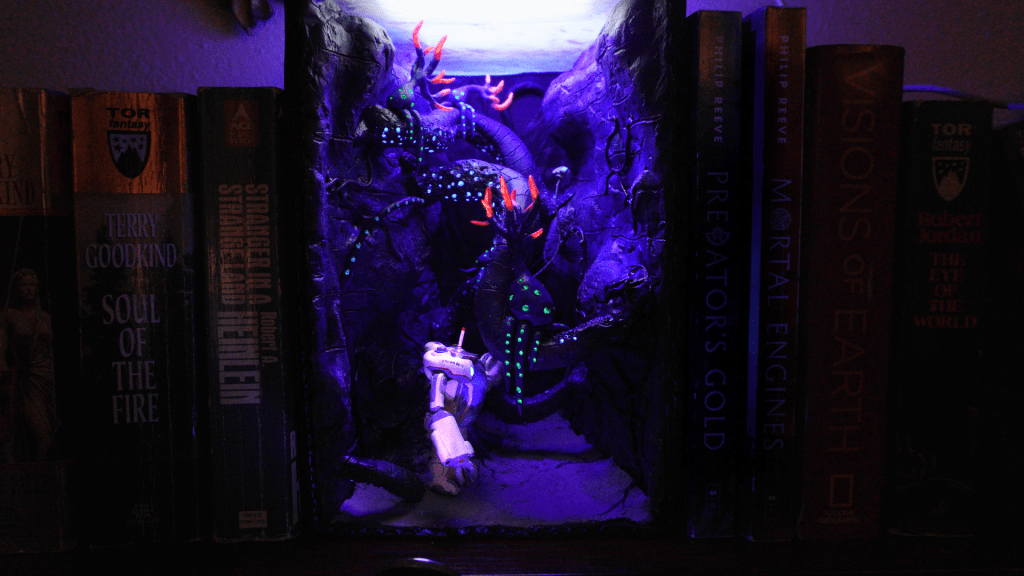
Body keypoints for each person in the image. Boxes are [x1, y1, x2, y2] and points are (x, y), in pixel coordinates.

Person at [0, 269, 57, 463]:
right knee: (41, 435)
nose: (28, 289)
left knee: (50, 436)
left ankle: (38, 473)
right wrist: (2, 362)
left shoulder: (44, 317)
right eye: (23, 285)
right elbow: (1, 342)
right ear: (16, 289)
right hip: (26, 379)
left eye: (31, 285)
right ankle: (33, 475)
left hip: (47, 378)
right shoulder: (8, 315)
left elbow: (52, 350)